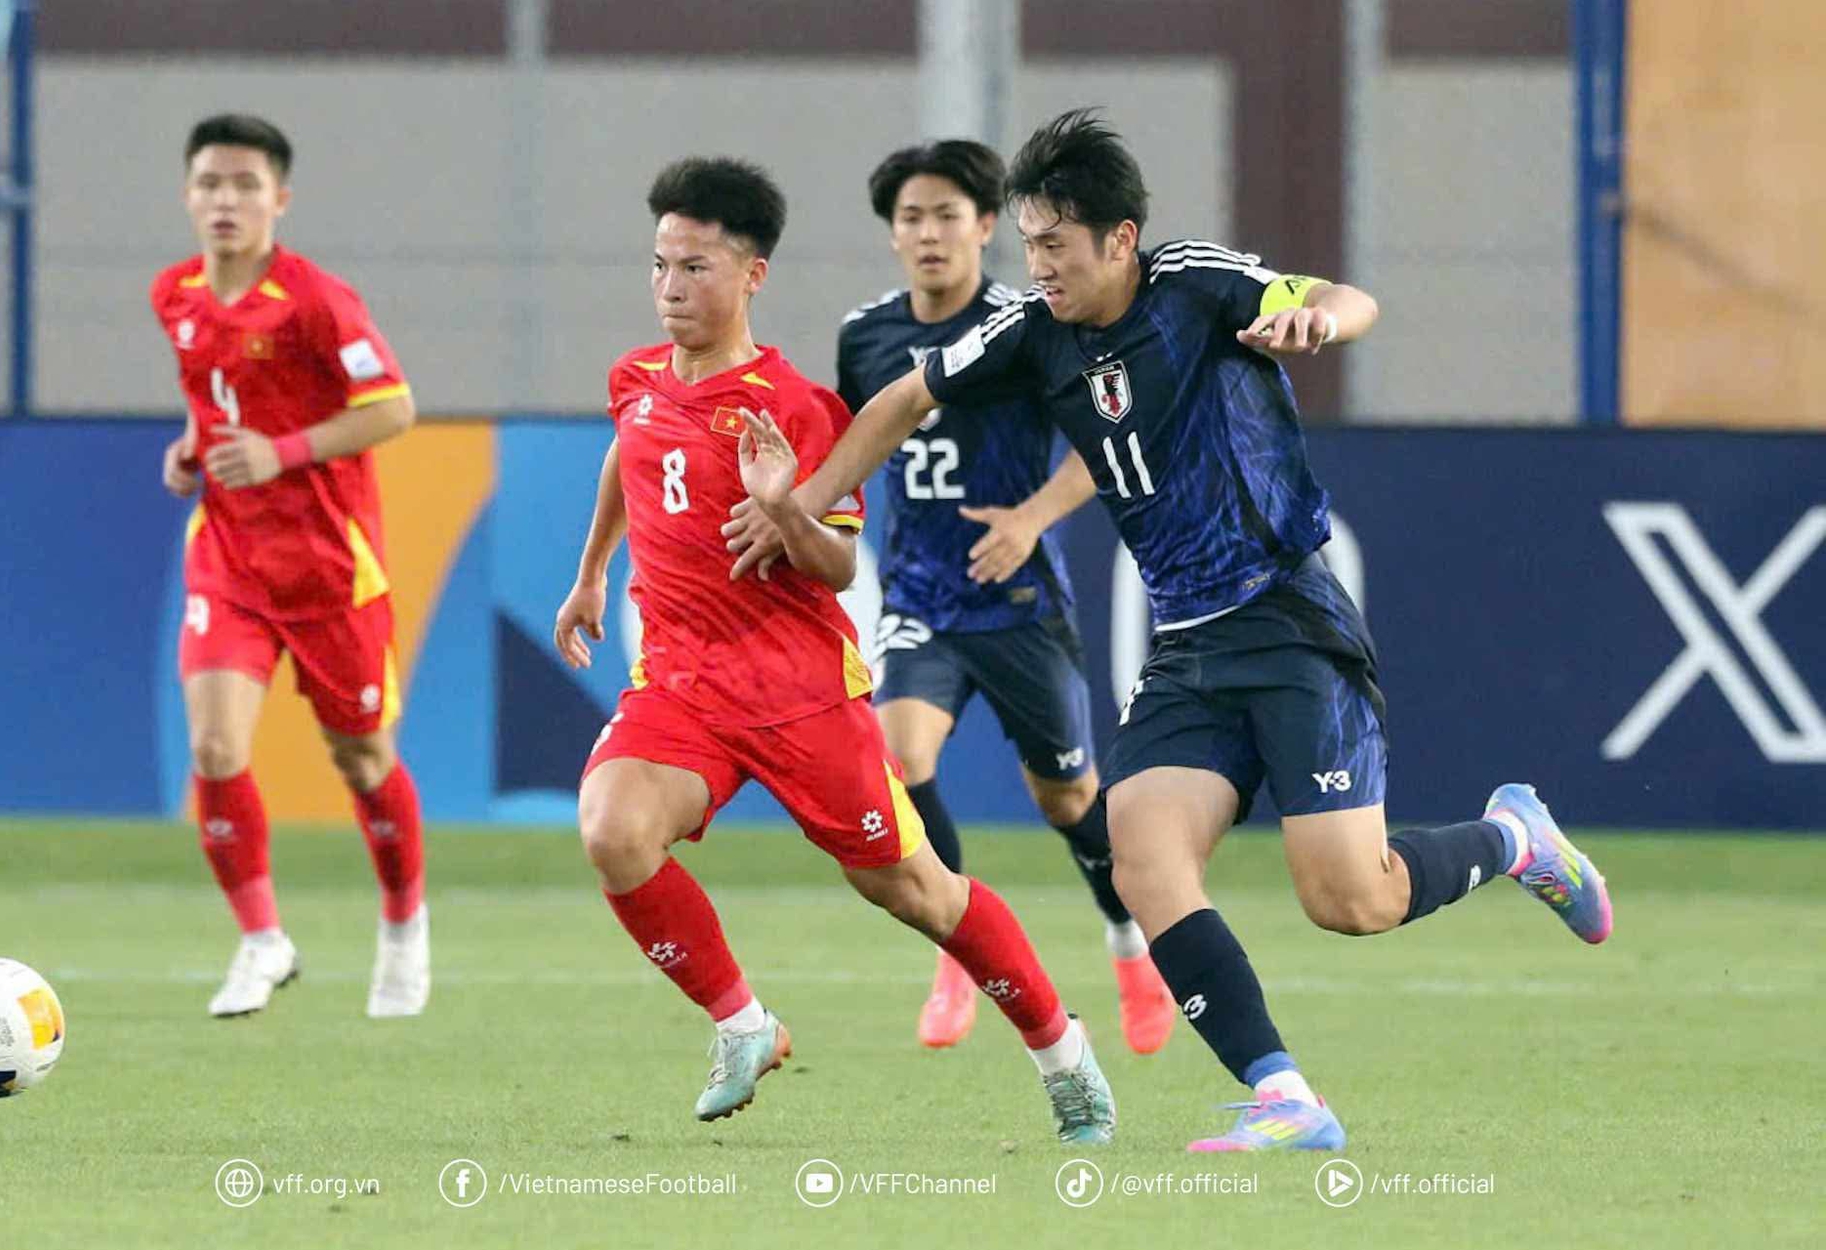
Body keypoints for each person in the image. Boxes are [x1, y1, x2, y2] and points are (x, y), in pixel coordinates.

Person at [727, 109, 1613, 1152]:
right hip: (1186, 642)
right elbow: (902, 398)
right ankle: (1285, 1095)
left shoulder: (1192, 281)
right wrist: (800, 504)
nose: (1037, 266)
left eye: (1056, 244)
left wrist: (1318, 325)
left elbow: (1344, 298)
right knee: (1140, 855)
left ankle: (1516, 838)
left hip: (1286, 617)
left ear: (1120, 239)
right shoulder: (1032, 330)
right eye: (1029, 244)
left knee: (1349, 899)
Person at [552, 155, 1116, 1144]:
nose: (671, 287)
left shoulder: (794, 407)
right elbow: (627, 449)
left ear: (752, 275)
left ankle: (1059, 1048)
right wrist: (593, 568)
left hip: (799, 695)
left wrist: (782, 507)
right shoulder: (634, 381)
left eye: (695, 267)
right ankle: (742, 1023)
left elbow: (837, 563)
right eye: (660, 265)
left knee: (918, 892)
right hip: (681, 688)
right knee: (611, 828)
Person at [834, 139, 1172, 1054]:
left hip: (1019, 600)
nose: (929, 233)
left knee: (1068, 799)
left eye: (947, 215)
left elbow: (1103, 444)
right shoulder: (865, 337)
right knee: (897, 758)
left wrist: (1029, 518)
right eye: (911, 217)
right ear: (893, 234)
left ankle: (1128, 943)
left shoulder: (1032, 324)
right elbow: (851, 442)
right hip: (920, 597)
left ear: (986, 227)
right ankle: (959, 944)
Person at [151, 114, 429, 1020]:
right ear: (188, 195)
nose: (225, 200)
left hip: (328, 571)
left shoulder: (317, 301)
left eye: (245, 184)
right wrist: (192, 446)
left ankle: (403, 925)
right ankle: (262, 940)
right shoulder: (174, 294)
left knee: (362, 757)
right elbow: (214, 393)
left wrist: (281, 452)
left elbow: (393, 408)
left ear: (280, 198)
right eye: (210, 183)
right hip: (229, 559)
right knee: (214, 746)